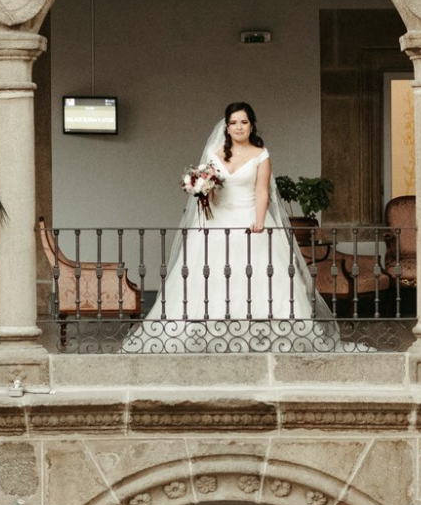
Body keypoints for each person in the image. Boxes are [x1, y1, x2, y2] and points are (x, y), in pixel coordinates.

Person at [123, 101, 341, 351]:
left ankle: (263, 335)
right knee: (209, 276)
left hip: (250, 217)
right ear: (226, 127)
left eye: (244, 122)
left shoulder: (261, 155)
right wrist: (201, 189)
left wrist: (259, 220)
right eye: (234, 123)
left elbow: (262, 191)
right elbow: (212, 191)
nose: (239, 127)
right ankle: (204, 333)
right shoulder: (215, 154)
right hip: (217, 220)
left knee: (259, 277)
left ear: (252, 126)